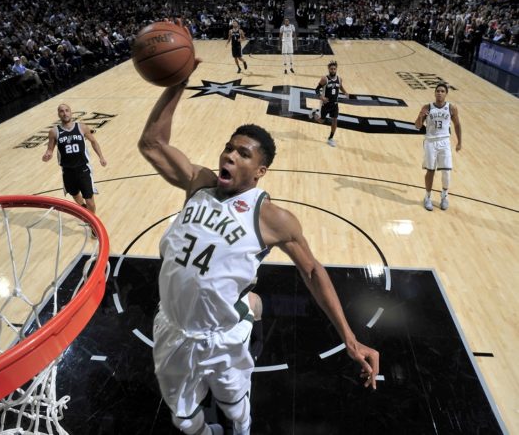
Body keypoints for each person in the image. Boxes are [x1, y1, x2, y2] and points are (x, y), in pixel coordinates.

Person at [138, 60, 379, 435]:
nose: (229, 156)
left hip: (222, 338)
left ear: (260, 171)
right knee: (183, 419)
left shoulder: (272, 218)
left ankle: (242, 426)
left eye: (243, 153)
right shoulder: (199, 183)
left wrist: (350, 337)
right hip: (172, 327)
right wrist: (178, 81)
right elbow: (152, 144)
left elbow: (313, 271)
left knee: (234, 404)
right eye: (228, 148)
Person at [42, 104, 107, 224]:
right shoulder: (54, 132)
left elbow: (93, 141)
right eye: (62, 111)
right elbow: (49, 150)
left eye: (67, 110)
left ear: (71, 112)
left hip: (83, 169)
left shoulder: (81, 127)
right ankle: (86, 212)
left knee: (90, 201)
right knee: (75, 195)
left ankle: (92, 223)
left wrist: (101, 157)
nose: (65, 113)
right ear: (59, 114)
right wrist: (47, 156)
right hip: (67, 171)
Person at [415, 83, 462, 211]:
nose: (439, 93)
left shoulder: (451, 108)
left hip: (444, 141)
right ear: (435, 93)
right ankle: (427, 197)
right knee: (430, 171)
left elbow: (457, 125)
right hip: (430, 142)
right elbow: (417, 126)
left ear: (446, 94)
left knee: (446, 171)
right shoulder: (427, 107)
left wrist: (459, 142)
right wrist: (420, 116)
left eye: (442, 91)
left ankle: (444, 196)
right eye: (438, 91)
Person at [309, 61, 349, 147]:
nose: (333, 70)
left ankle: (330, 138)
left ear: (336, 69)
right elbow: (316, 89)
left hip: (335, 104)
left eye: (334, 69)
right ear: (328, 69)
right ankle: (313, 113)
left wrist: (345, 92)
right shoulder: (325, 79)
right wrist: (321, 97)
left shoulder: (339, 79)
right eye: (331, 69)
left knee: (334, 120)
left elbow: (340, 86)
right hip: (325, 104)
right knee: (321, 121)